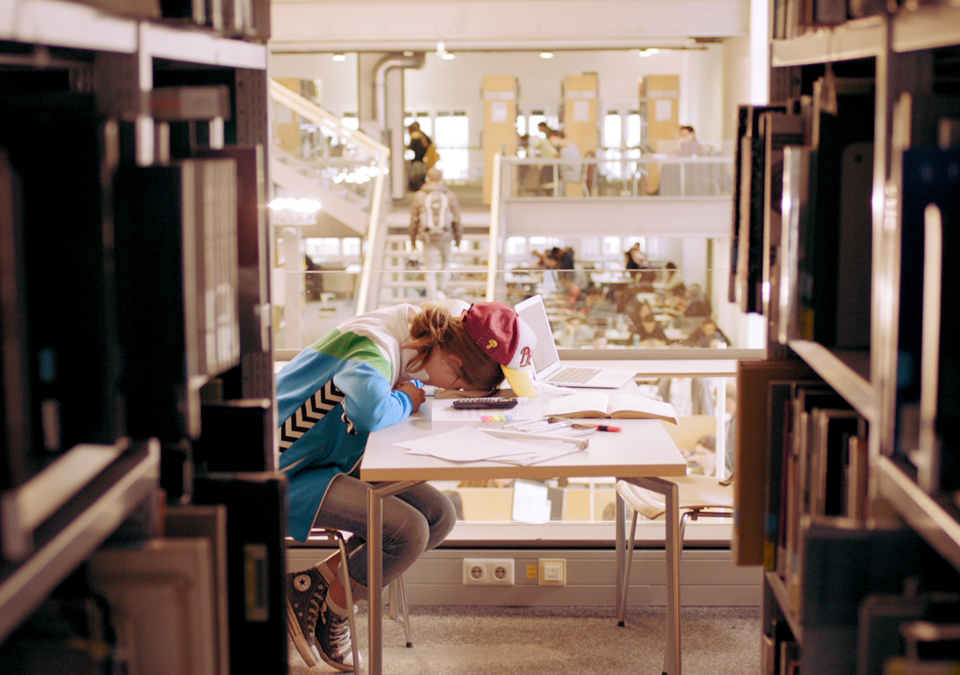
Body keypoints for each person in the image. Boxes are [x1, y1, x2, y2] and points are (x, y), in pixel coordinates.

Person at [280, 300, 536, 670]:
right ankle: (336, 612)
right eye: (461, 385)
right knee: (408, 531)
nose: (454, 391)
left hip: (326, 458)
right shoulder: (376, 344)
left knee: (439, 515)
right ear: (454, 361)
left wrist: (412, 390)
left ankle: (313, 585)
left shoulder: (423, 333)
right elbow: (371, 411)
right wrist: (408, 397)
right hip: (280, 469)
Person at [410, 167, 462, 300]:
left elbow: (414, 220)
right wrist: (458, 240)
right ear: (441, 179)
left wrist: (413, 241)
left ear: (427, 179)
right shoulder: (449, 195)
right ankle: (442, 290)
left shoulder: (420, 195)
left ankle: (432, 300)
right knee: (446, 262)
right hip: (445, 237)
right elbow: (456, 219)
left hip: (428, 238)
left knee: (430, 270)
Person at [547, 129, 583, 195]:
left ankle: (548, 194)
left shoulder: (565, 150)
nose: (551, 142)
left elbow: (565, 166)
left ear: (556, 137)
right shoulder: (570, 144)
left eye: (551, 139)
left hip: (571, 174)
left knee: (549, 174)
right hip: (575, 171)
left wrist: (559, 160)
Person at [407, 121, 435, 191]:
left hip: (417, 160)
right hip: (423, 160)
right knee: (421, 175)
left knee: (415, 175)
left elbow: (411, 147)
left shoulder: (415, 136)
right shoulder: (423, 135)